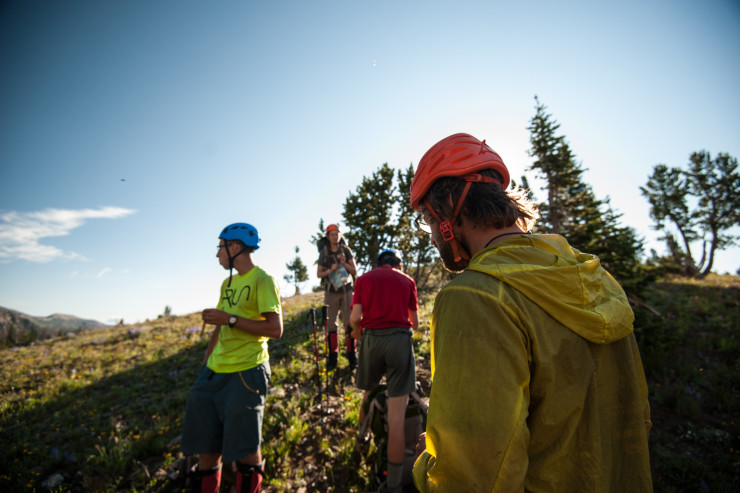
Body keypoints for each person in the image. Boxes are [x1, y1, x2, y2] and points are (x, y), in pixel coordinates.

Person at [409, 133, 652, 492]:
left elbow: (475, 476)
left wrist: (427, 468)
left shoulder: (475, 296)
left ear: (446, 208)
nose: (431, 237)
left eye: (427, 222)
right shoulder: (595, 279)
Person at [181, 223, 283, 493]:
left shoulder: (263, 279)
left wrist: (230, 319)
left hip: (246, 373)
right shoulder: (227, 282)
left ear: (234, 247)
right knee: (206, 449)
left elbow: (275, 329)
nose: (218, 254)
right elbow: (220, 327)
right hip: (213, 374)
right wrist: (205, 366)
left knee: (247, 451)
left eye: (220, 247)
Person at [350, 248, 419, 493]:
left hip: (370, 340)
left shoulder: (363, 280)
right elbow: (416, 323)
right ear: (397, 263)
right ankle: (393, 485)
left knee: (368, 394)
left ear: (379, 263)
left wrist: (362, 338)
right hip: (399, 340)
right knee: (397, 419)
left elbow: (355, 318)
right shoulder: (407, 281)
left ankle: (361, 442)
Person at [317, 223, 358, 371]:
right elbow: (318, 274)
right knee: (331, 324)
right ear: (327, 237)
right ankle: (333, 357)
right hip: (330, 292)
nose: (335, 236)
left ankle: (352, 355)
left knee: (349, 322)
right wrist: (330, 270)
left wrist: (344, 263)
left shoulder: (346, 250)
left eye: (337, 233)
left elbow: (354, 270)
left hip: (347, 290)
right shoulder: (324, 252)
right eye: (332, 234)